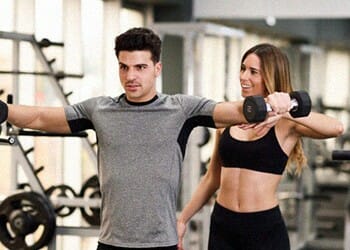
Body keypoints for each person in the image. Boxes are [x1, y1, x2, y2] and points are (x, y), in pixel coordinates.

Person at [0, 29, 292, 250]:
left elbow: (236, 110)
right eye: (124, 67)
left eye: (140, 67)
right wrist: (5, 110)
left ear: (157, 68)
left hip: (160, 243)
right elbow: (40, 117)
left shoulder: (182, 109)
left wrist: (271, 102)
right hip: (112, 243)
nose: (131, 76)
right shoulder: (99, 110)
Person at [176, 43, 344, 250]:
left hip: (263, 228)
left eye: (253, 72)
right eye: (243, 68)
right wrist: (182, 219)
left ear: (270, 77)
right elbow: (212, 178)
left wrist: (287, 108)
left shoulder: (286, 124)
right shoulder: (230, 117)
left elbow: (336, 128)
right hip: (222, 224)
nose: (244, 77)